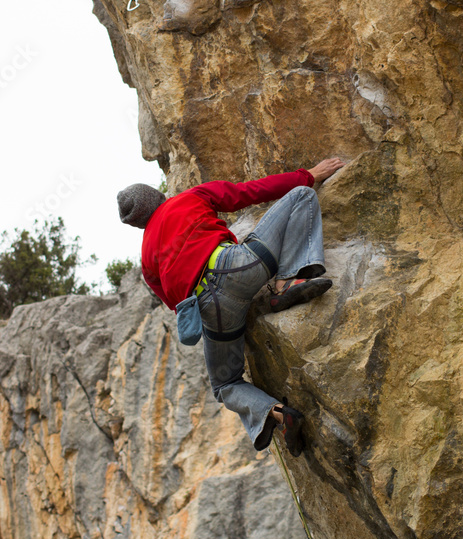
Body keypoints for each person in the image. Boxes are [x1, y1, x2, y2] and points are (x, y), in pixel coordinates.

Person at [117, 158, 345, 455]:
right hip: (238, 266)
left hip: (210, 308)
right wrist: (309, 175)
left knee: (225, 385)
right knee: (302, 195)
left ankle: (276, 413)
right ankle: (286, 283)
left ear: (138, 223)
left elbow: (174, 304)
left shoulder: (147, 258)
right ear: (159, 196)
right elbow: (250, 191)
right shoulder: (189, 198)